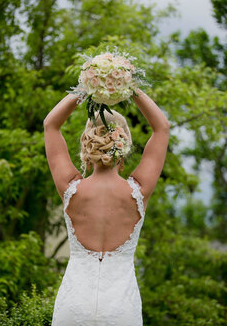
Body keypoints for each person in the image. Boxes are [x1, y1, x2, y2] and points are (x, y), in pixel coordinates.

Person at [43, 87, 170, 326]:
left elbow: (50, 124)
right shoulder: (139, 191)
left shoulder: (70, 188)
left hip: (73, 305)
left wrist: (88, 86)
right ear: (123, 148)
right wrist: (127, 87)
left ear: (87, 146)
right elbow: (162, 128)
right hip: (121, 308)